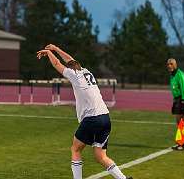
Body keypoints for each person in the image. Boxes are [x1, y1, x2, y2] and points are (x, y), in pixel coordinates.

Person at [37, 44, 132, 179]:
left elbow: (58, 64)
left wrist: (48, 52)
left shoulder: (74, 75)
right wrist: (56, 49)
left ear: (71, 69)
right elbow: (70, 60)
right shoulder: (86, 71)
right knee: (101, 156)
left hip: (92, 119)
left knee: (75, 149)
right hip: (105, 117)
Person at [166, 58, 184, 151]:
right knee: (178, 121)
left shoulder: (180, 74)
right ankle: (180, 143)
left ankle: (183, 145)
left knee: (183, 121)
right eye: (168, 64)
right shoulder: (172, 75)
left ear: (175, 65)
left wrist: (183, 101)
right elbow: (174, 89)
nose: (169, 66)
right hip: (177, 99)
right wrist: (174, 101)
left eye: (171, 64)